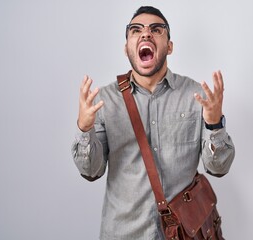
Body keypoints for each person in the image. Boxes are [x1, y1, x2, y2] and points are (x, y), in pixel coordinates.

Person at [71, 6, 235, 239]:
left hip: (184, 234)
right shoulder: (104, 100)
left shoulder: (196, 96)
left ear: (169, 46)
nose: (146, 34)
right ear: (126, 47)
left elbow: (219, 167)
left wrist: (214, 125)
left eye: (156, 29)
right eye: (136, 30)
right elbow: (90, 171)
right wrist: (84, 128)